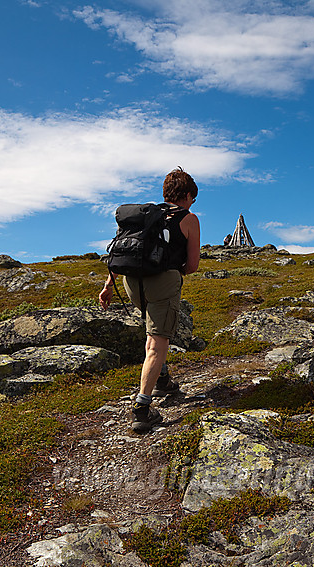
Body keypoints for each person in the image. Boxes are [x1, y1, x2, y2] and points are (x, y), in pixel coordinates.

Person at [98, 167, 201, 433]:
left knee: (153, 333)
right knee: (157, 342)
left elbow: (123, 251)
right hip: (162, 284)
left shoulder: (145, 216)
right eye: (193, 198)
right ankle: (142, 409)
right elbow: (191, 266)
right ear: (187, 194)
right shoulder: (189, 218)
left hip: (131, 283)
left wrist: (108, 286)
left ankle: (163, 378)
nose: (192, 203)